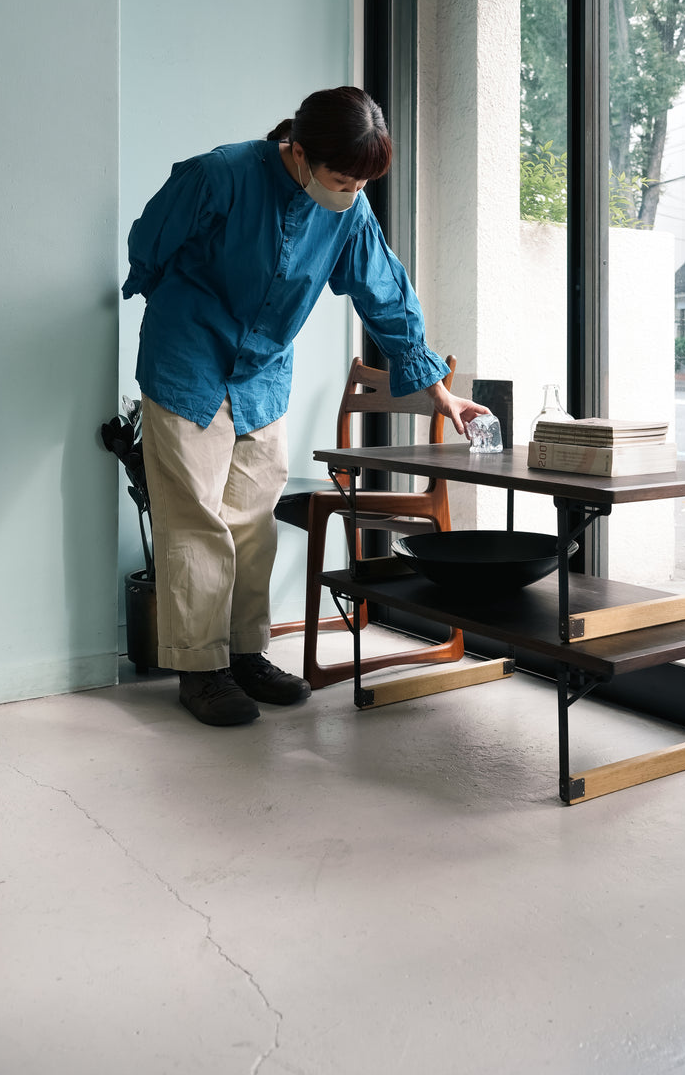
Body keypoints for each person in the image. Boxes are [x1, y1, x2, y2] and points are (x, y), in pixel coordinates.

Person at [122, 87, 487, 727]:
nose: (349, 191)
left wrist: (437, 388)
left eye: (360, 182)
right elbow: (150, 242)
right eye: (342, 177)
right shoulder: (220, 175)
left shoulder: (347, 210)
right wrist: (178, 306)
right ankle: (200, 671)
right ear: (299, 150)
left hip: (262, 373)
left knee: (252, 520)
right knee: (196, 521)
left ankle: (245, 654)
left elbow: (386, 295)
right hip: (188, 361)